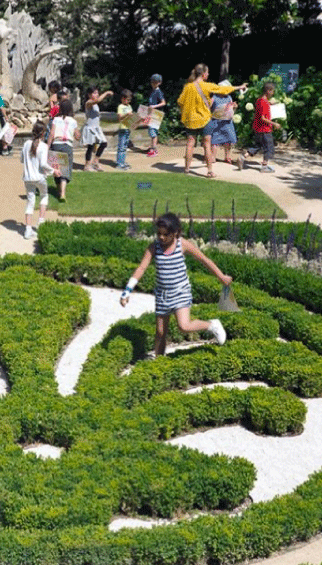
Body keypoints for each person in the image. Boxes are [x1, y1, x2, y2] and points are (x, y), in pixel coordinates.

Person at [120, 212, 231, 356]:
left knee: (184, 326)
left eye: (166, 234)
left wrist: (221, 276)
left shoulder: (182, 244)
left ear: (176, 233)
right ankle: (159, 361)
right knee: (160, 333)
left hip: (181, 291)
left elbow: (204, 260)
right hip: (162, 295)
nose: (161, 237)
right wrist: (127, 291)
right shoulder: (154, 247)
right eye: (159, 233)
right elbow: (141, 268)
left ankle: (212, 325)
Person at [177, 63, 247, 178]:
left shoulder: (187, 87)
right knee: (207, 145)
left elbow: (180, 102)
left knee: (190, 144)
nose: (208, 74)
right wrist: (239, 87)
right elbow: (223, 89)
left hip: (190, 120)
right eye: (207, 72)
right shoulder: (206, 86)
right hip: (205, 120)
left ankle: (187, 169)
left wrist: (187, 111)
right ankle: (209, 171)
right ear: (204, 74)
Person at [20, 121, 61, 240]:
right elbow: (43, 163)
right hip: (39, 177)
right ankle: (41, 223)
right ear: (43, 133)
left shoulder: (26, 144)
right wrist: (54, 171)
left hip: (27, 178)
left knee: (30, 201)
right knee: (44, 196)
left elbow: (22, 160)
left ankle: (27, 230)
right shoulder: (43, 146)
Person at [239, 82, 282, 173]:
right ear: (268, 91)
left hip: (258, 128)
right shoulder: (264, 102)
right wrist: (274, 124)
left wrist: (269, 104)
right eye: (272, 91)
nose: (273, 93)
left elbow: (260, 112)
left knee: (258, 145)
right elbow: (263, 118)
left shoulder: (259, 100)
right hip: (265, 129)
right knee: (268, 147)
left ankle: (243, 157)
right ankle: (264, 166)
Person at [47, 99, 81, 201]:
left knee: (56, 168)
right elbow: (77, 136)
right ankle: (62, 194)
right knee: (65, 169)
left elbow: (52, 134)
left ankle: (58, 190)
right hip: (67, 145)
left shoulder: (56, 120)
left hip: (56, 144)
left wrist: (47, 146)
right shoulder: (73, 121)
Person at [82, 86, 114, 171]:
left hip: (96, 127)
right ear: (89, 94)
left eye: (97, 93)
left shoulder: (95, 104)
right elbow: (98, 100)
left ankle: (95, 161)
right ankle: (87, 165)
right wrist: (106, 93)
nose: (96, 94)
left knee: (104, 143)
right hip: (90, 128)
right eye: (94, 93)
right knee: (90, 147)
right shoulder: (88, 102)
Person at [210, 81, 238, 164]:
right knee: (215, 139)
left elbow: (231, 110)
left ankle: (227, 156)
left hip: (227, 122)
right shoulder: (214, 98)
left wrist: (234, 107)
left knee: (228, 139)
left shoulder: (229, 97)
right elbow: (209, 108)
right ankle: (213, 157)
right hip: (216, 121)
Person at [146, 74, 166, 157]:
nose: (153, 83)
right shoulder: (152, 91)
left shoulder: (158, 92)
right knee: (151, 131)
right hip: (151, 113)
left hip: (156, 114)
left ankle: (154, 150)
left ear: (159, 83)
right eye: (152, 82)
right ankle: (152, 147)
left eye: (155, 82)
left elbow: (163, 102)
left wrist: (154, 106)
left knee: (153, 131)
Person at [116, 89, 133, 170]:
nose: (128, 101)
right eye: (127, 99)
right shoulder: (120, 106)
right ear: (122, 98)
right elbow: (120, 118)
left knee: (125, 147)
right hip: (122, 128)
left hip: (128, 128)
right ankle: (119, 164)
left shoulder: (129, 106)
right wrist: (127, 114)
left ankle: (122, 162)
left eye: (130, 100)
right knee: (121, 147)